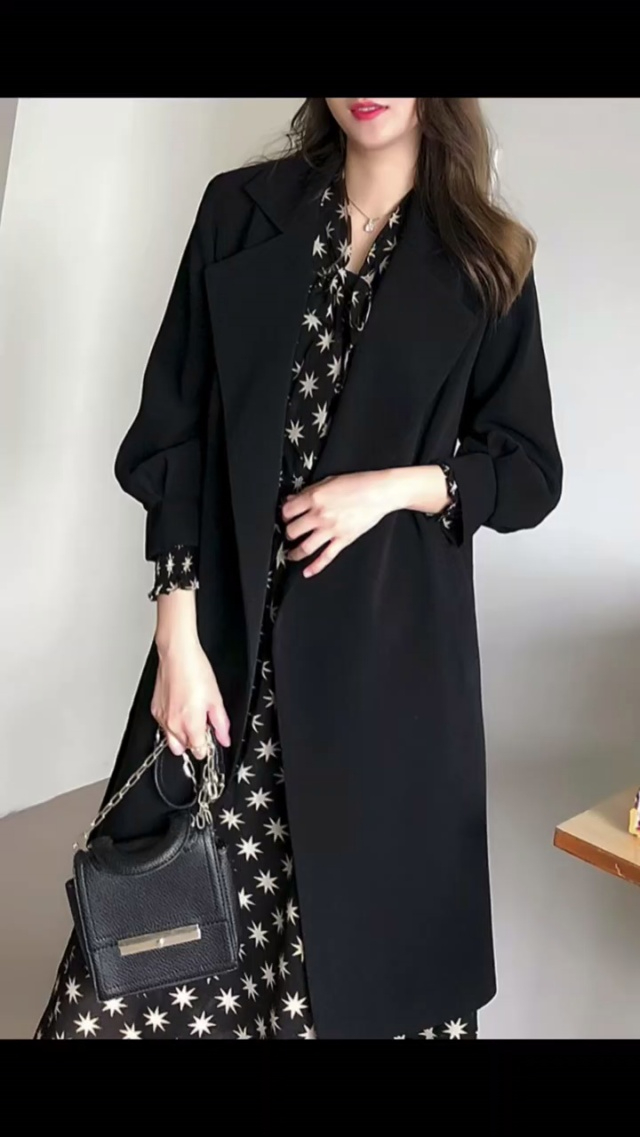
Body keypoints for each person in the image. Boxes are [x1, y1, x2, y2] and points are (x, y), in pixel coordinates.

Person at [36, 97, 563, 1041]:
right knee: (147, 964)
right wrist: (176, 638)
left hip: (387, 680)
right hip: (230, 663)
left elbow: (527, 471)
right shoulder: (240, 212)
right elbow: (173, 435)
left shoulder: (488, 258)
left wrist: (398, 487)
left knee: (356, 983)